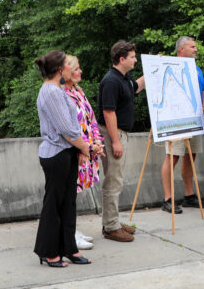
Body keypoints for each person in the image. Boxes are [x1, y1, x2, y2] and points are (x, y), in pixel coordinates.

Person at [33, 50, 93, 267]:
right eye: (69, 64)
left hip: (66, 152)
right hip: (56, 154)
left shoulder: (59, 90)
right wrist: (87, 148)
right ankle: (48, 251)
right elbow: (66, 128)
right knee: (54, 205)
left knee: (68, 203)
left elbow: (71, 126)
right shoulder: (51, 92)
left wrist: (78, 150)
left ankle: (69, 248)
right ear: (60, 69)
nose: (72, 67)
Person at [98, 40, 145, 242]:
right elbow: (108, 112)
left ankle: (114, 221)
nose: (136, 60)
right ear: (122, 59)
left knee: (117, 179)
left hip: (119, 133)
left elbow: (136, 87)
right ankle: (110, 227)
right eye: (133, 57)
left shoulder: (124, 79)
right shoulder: (111, 81)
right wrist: (115, 142)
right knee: (113, 180)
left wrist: (154, 69)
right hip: (112, 133)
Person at [160, 36, 204, 214]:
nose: (196, 49)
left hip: (194, 119)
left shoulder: (196, 69)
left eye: (196, 46)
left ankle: (189, 195)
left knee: (191, 154)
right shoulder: (169, 65)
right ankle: (167, 198)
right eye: (192, 46)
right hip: (176, 119)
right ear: (181, 49)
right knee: (172, 156)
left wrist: (203, 107)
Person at [63, 55, 104, 250]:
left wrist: (97, 142)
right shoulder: (62, 94)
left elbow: (91, 119)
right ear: (67, 71)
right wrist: (86, 147)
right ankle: (68, 233)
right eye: (77, 69)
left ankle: (72, 229)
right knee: (69, 194)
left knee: (74, 194)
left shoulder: (78, 92)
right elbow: (71, 128)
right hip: (75, 151)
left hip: (87, 150)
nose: (80, 72)